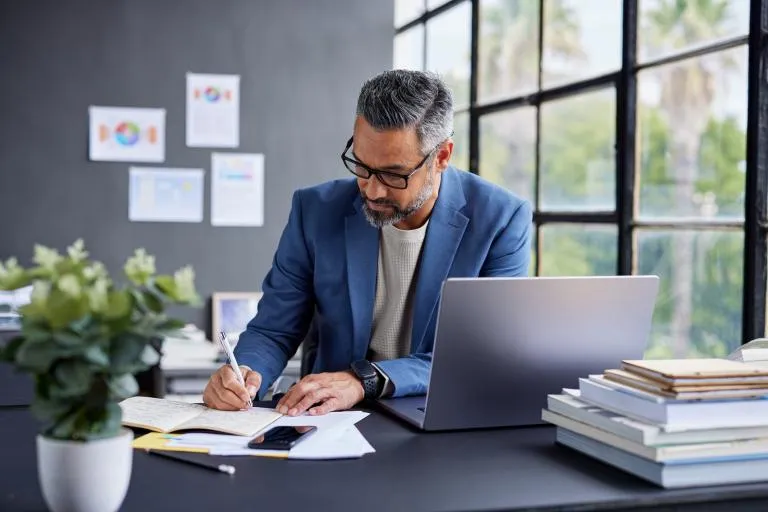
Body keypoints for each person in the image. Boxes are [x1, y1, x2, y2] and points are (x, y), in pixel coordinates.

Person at [202, 69, 532, 416]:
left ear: (442, 157)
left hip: (439, 419)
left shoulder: (501, 220)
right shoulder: (314, 211)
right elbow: (273, 329)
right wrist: (247, 374)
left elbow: (482, 356)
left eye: (393, 174)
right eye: (361, 165)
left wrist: (364, 380)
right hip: (327, 422)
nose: (372, 190)